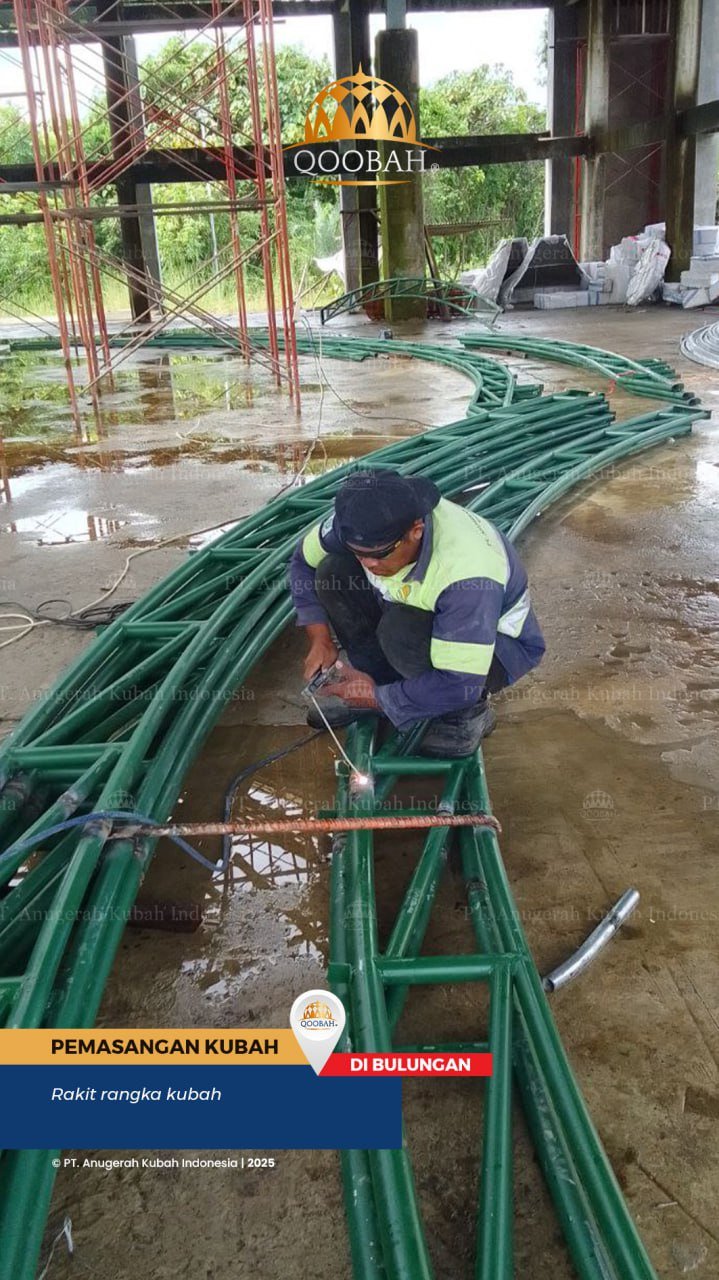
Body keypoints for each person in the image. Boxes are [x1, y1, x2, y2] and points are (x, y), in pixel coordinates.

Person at [288, 468, 545, 756]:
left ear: (416, 531)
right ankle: (380, 682)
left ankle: (467, 715)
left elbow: (460, 682)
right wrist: (319, 637)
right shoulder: (358, 524)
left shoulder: (468, 575)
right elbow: (301, 562)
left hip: (495, 652)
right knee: (332, 571)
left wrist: (376, 699)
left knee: (401, 631)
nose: (369, 564)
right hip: (415, 610)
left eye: (380, 554)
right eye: (359, 553)